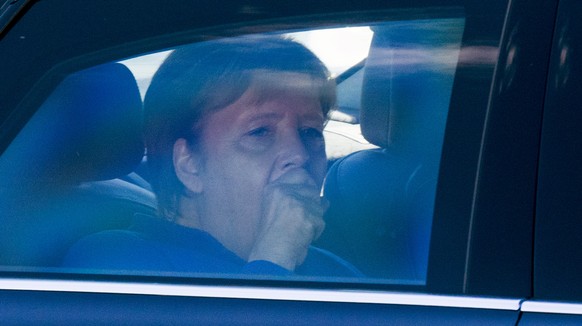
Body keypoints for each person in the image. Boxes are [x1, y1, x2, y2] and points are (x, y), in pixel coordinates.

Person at [62, 36, 361, 277]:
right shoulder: (116, 266)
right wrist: (274, 260)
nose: (299, 154)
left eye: (310, 132)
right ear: (188, 164)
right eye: (259, 132)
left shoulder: (333, 270)